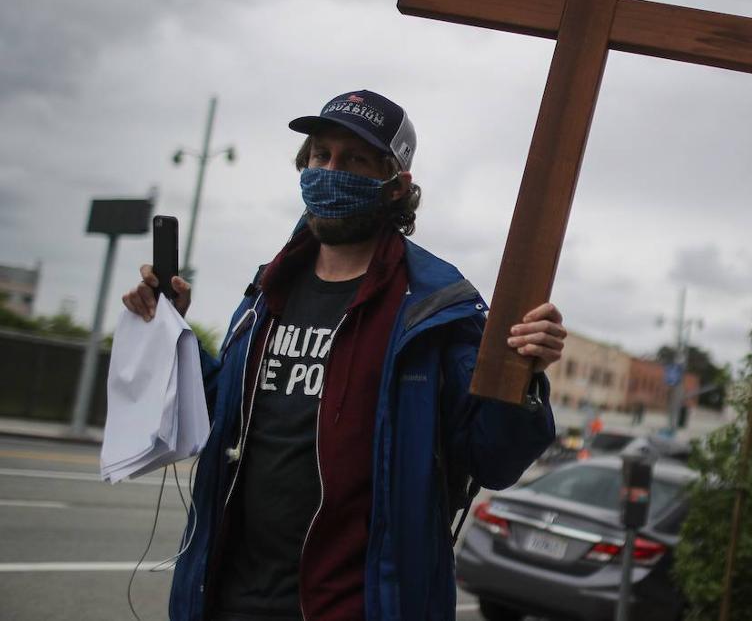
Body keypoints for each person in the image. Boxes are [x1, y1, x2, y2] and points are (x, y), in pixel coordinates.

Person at [122, 90, 564, 621]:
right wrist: (171, 335)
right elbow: (224, 416)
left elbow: (493, 459)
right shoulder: (267, 290)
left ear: (396, 183)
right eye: (320, 155)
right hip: (227, 601)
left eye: (354, 159)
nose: (329, 171)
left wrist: (523, 379)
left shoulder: (436, 311)